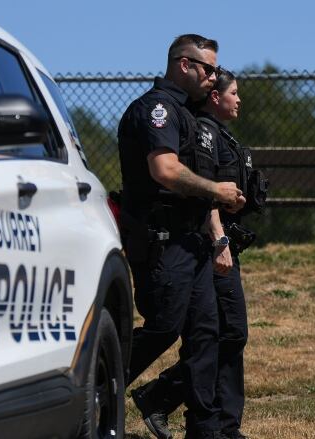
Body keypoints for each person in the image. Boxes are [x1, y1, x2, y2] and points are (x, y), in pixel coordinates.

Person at [117, 34, 245, 439]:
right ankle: (96, 382)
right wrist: (216, 192)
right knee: (163, 326)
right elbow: (166, 171)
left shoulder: (190, 116)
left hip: (192, 242)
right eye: (208, 69)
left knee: (206, 337)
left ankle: (206, 431)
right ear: (184, 65)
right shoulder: (158, 109)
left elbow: (194, 181)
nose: (214, 77)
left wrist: (215, 232)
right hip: (161, 241)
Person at [131, 70, 268, 439]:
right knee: (199, 331)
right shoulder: (195, 128)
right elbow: (202, 193)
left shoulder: (216, 132)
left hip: (216, 243)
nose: (238, 99)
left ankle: (217, 425)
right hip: (202, 244)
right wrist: (220, 239)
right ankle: (163, 399)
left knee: (222, 334)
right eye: (233, 92)